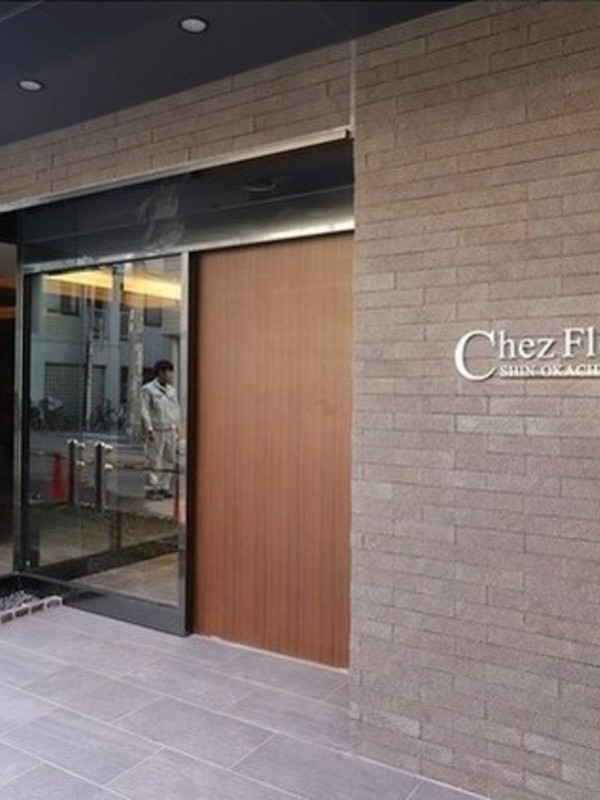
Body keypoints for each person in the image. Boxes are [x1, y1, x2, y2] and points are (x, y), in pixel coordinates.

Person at [140, 359, 180, 500]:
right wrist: (149, 429)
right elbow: (144, 411)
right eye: (169, 372)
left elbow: (176, 409)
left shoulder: (171, 390)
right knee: (153, 460)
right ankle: (151, 489)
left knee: (170, 459)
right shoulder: (148, 390)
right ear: (161, 373)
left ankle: (164, 487)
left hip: (170, 429)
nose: (171, 375)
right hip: (156, 430)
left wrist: (177, 427)